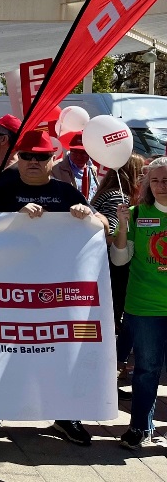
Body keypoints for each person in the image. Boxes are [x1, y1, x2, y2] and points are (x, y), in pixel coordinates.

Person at [0, 129, 109, 445]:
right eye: (27, 156)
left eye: (41, 156)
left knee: (61, 351)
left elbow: (104, 225)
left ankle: (66, 415)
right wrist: (15, 217)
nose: (34, 162)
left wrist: (88, 215)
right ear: (18, 159)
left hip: (57, 294)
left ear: (53, 158)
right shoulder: (1, 191)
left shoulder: (66, 193)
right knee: (5, 349)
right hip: (9, 290)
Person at [111, 157, 167, 449]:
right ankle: (139, 427)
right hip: (144, 306)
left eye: (166, 180)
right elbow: (120, 259)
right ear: (147, 183)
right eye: (155, 180)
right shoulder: (135, 215)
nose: (161, 186)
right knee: (146, 369)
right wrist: (121, 226)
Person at [91, 153, 145, 386]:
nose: (143, 176)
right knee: (111, 319)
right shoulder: (118, 195)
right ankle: (108, 375)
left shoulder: (106, 192)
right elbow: (111, 235)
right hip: (113, 268)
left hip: (102, 266)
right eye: (140, 171)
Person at [53, 132, 98, 203]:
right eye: (75, 151)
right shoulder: (55, 168)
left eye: (83, 152)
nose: (79, 156)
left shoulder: (92, 169)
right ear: (70, 150)